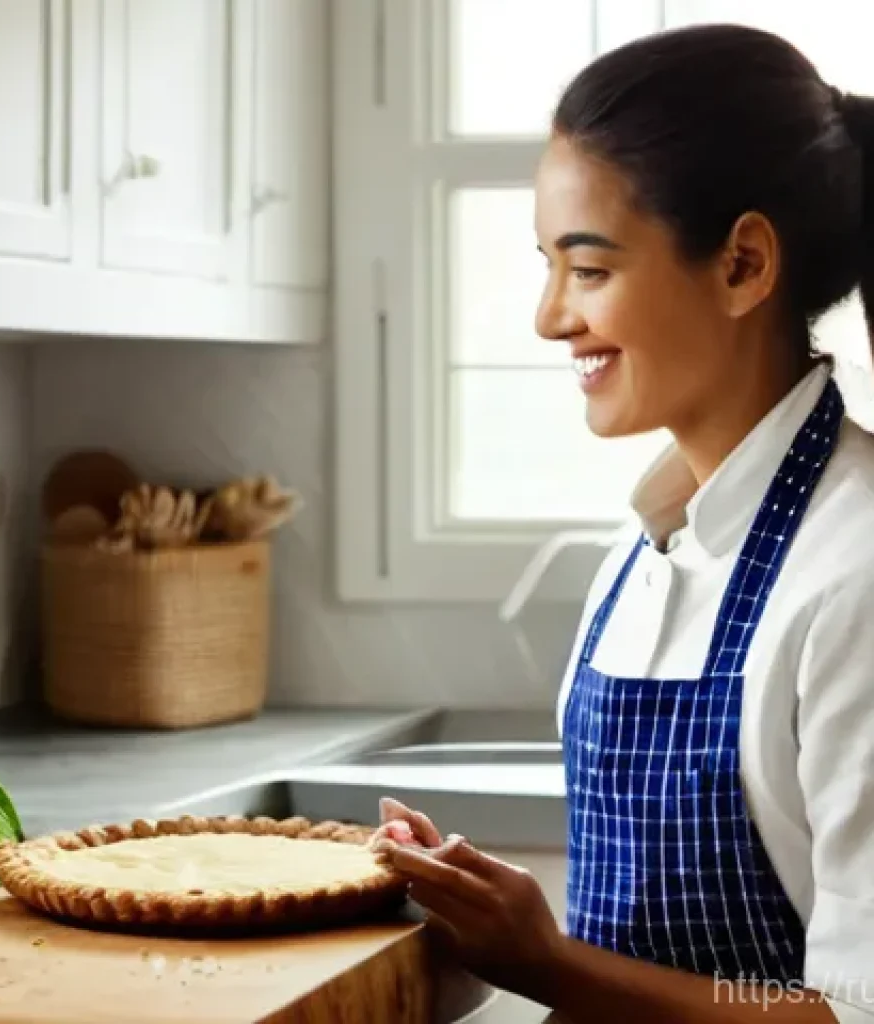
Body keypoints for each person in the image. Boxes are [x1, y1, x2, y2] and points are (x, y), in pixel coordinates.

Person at [371, 22, 874, 1023]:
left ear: (741, 264)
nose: (548, 316)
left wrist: (549, 961)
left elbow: (849, 1008)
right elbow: (639, 939)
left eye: (588, 269)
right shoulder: (649, 544)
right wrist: (483, 918)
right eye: (546, 265)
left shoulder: (854, 569)